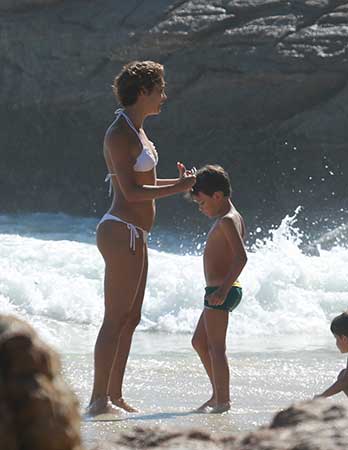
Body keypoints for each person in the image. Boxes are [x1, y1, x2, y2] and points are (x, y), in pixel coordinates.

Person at [87, 61, 196, 417]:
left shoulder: (138, 130)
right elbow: (132, 193)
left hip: (138, 234)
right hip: (120, 230)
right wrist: (178, 187)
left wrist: (183, 184)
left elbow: (147, 183)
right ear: (144, 91)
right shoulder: (118, 134)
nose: (164, 96)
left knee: (130, 318)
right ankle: (97, 399)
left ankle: (114, 396)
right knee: (114, 317)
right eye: (160, 90)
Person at [189, 165, 248, 414]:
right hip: (218, 290)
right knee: (199, 342)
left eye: (202, 203)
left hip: (221, 290)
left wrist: (223, 290)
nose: (201, 209)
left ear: (217, 196)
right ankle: (216, 395)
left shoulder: (226, 220)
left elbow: (241, 257)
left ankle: (222, 400)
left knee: (216, 347)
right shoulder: (230, 217)